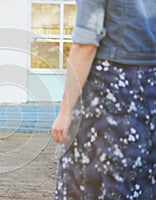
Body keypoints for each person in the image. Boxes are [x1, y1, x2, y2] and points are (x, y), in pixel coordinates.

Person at [51, 0, 156, 199]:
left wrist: (65, 112)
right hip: (150, 93)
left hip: (110, 97)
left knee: (92, 183)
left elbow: (85, 46)